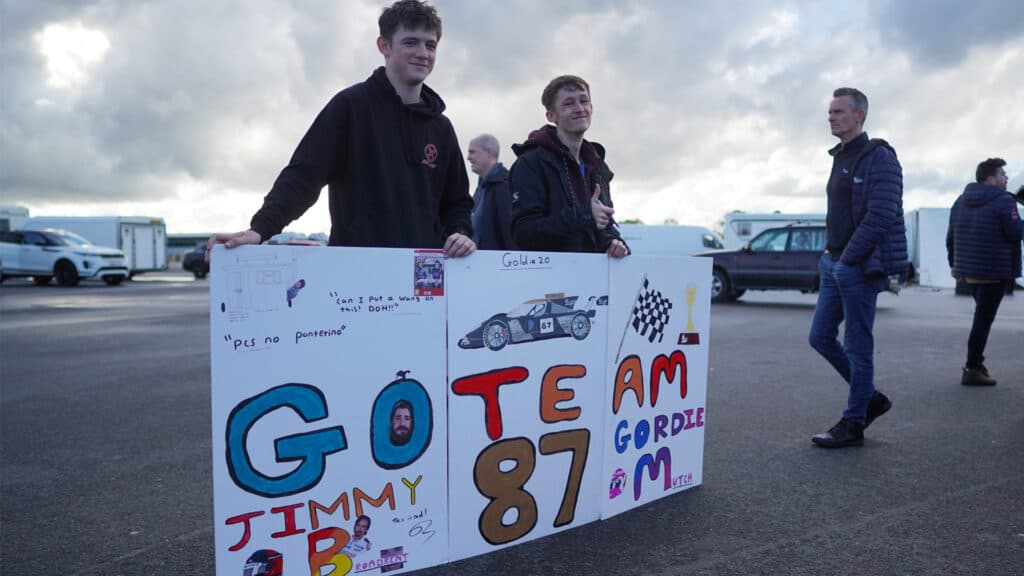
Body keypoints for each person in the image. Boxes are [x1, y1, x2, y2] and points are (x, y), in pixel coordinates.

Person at [206, 0, 475, 258]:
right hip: (354, 274)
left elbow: (457, 203)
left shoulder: (441, 127)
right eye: (410, 42)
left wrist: (461, 233)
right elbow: (303, 177)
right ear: (384, 45)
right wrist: (260, 229)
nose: (423, 53)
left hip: (423, 275)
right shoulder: (350, 107)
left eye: (431, 45)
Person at [808, 87, 907, 448]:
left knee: (857, 346)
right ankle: (869, 399)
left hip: (858, 268)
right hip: (833, 263)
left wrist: (848, 260)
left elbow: (882, 214)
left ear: (859, 115)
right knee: (819, 337)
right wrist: (830, 256)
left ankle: (853, 424)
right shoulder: (841, 156)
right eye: (830, 111)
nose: (831, 116)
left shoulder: (879, 156)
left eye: (838, 111)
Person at [509, 75, 628, 257]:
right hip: (549, 281)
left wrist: (613, 242)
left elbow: (604, 224)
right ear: (551, 116)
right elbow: (523, 233)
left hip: (591, 278)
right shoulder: (530, 163)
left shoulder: (596, 165)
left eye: (584, 101)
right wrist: (585, 216)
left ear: (592, 108)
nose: (579, 108)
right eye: (568, 103)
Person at [946, 158, 1022, 386]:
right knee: (983, 321)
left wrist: (954, 265)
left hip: (969, 272)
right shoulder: (1004, 201)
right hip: (994, 271)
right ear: (990, 179)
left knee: (981, 317)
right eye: (1002, 174)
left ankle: (975, 365)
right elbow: (1016, 233)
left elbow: (950, 237)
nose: (1006, 178)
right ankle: (972, 367)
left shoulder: (961, 200)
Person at [467, 134, 514, 250]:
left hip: (497, 264)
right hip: (482, 263)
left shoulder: (503, 185)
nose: (468, 157)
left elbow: (509, 233)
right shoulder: (482, 187)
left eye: (472, 152)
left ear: (489, 152)